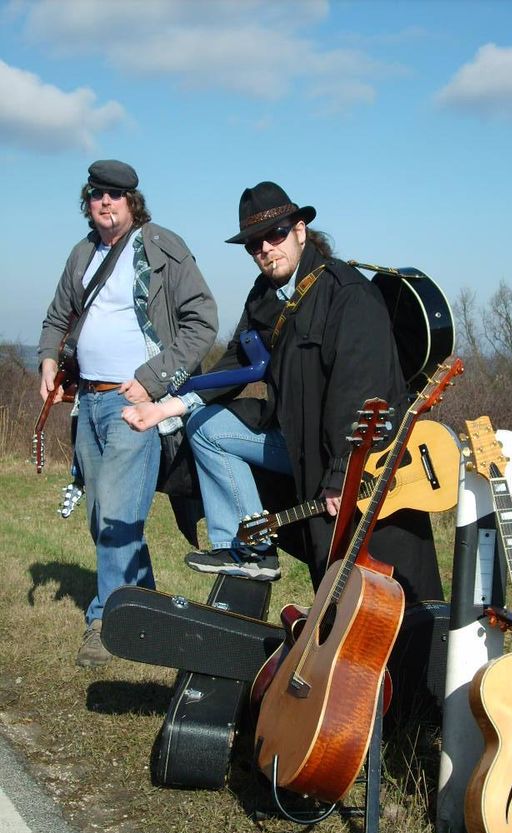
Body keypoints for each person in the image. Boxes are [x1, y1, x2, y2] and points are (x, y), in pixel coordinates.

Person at [124, 181, 443, 606]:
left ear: (300, 231)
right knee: (205, 426)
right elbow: (235, 362)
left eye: (275, 235)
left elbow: (364, 392)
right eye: (254, 244)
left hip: (352, 457)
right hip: (296, 443)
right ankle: (248, 550)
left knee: (366, 588)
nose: (265, 249)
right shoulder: (265, 296)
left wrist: (342, 474)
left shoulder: (347, 294)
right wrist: (166, 408)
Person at [38, 159, 218, 667]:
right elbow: (57, 316)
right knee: (104, 517)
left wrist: (153, 380)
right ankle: (151, 612)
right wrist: (48, 358)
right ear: (88, 201)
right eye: (97, 194)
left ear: (132, 202)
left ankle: (105, 622)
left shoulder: (161, 247)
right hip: (88, 402)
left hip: (135, 404)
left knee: (119, 516)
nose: (105, 202)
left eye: (114, 195)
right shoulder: (83, 253)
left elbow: (202, 322)